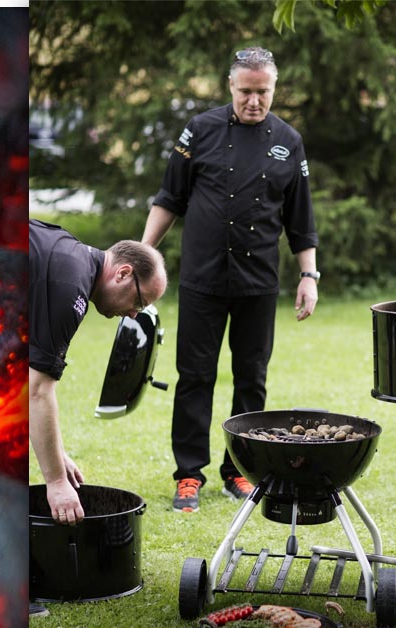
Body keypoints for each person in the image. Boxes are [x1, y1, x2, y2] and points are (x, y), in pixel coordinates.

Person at [141, 46, 320, 513]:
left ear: (273, 89)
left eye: (263, 92)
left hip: (257, 282)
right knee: (194, 376)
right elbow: (169, 199)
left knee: (251, 380)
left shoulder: (288, 140)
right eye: (246, 92)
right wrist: (142, 256)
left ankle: (238, 470)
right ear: (230, 86)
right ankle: (188, 475)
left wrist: (309, 275)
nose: (255, 101)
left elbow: (301, 220)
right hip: (201, 278)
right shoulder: (199, 130)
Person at [29, 219, 168, 526]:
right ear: (123, 273)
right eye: (139, 302)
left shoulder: (69, 254)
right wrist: (55, 482)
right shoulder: (69, 290)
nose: (133, 314)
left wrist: (55, 454)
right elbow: (36, 391)